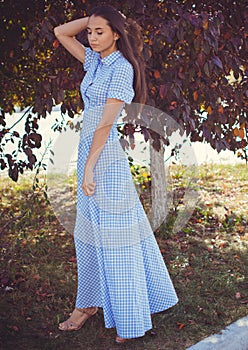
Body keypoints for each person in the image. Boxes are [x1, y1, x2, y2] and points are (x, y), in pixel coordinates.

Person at [54, 4, 178, 344]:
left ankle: (131, 317)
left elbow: (106, 124)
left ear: (116, 35)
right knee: (89, 234)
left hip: (103, 155)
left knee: (116, 237)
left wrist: (90, 168)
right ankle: (89, 304)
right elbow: (61, 32)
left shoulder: (121, 70)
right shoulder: (95, 61)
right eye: (91, 32)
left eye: (100, 32)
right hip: (89, 152)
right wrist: (96, 15)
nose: (92, 37)